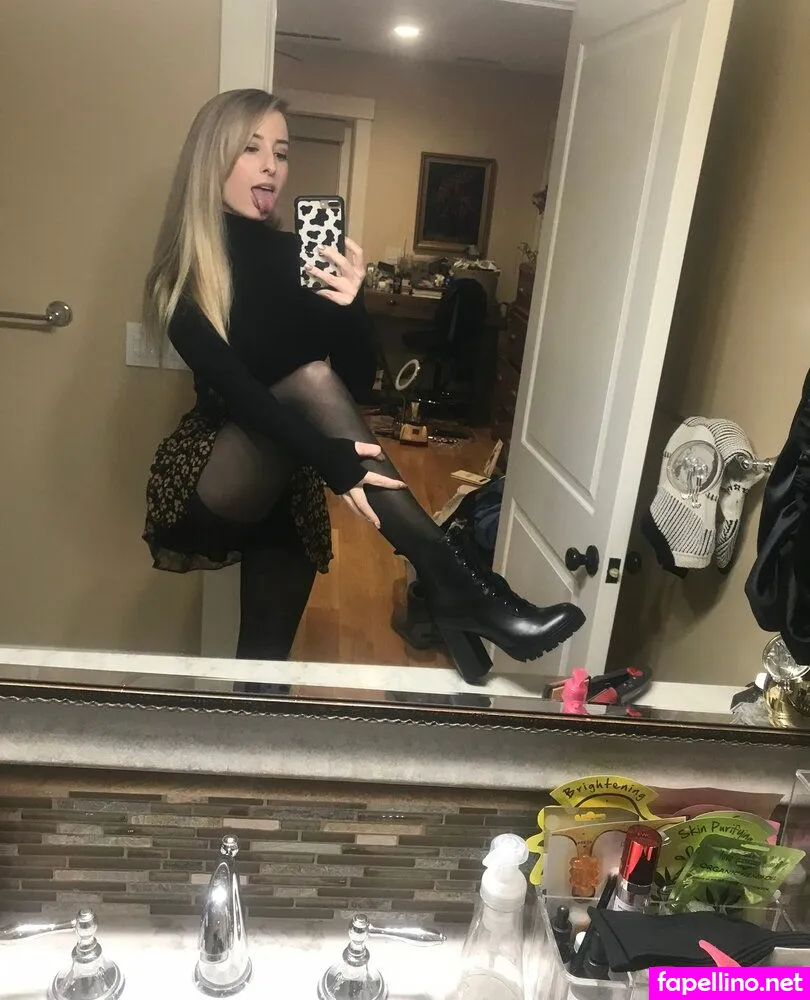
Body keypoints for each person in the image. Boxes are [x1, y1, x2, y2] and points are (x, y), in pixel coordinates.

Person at [142, 88, 585, 681]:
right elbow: (242, 393)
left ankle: (454, 598)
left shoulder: (298, 255)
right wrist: (332, 460)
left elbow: (352, 387)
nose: (272, 166)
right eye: (251, 149)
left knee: (264, 669)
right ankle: (460, 583)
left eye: (281, 152)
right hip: (218, 470)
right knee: (309, 378)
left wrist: (352, 305)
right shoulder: (186, 270)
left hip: (295, 471)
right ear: (211, 159)